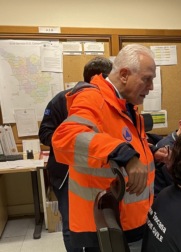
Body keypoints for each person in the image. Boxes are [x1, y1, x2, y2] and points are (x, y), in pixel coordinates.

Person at [52, 44, 156, 251]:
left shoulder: (125, 105)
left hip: (131, 220)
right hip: (102, 228)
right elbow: (65, 138)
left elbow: (124, 144)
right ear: (124, 75)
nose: (151, 86)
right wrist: (124, 154)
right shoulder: (94, 98)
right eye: (147, 78)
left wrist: (151, 156)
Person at [38, 56, 112, 252]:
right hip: (65, 173)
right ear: (100, 77)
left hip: (97, 171)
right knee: (72, 223)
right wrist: (72, 141)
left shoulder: (110, 102)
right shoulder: (61, 100)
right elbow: (44, 134)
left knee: (98, 222)